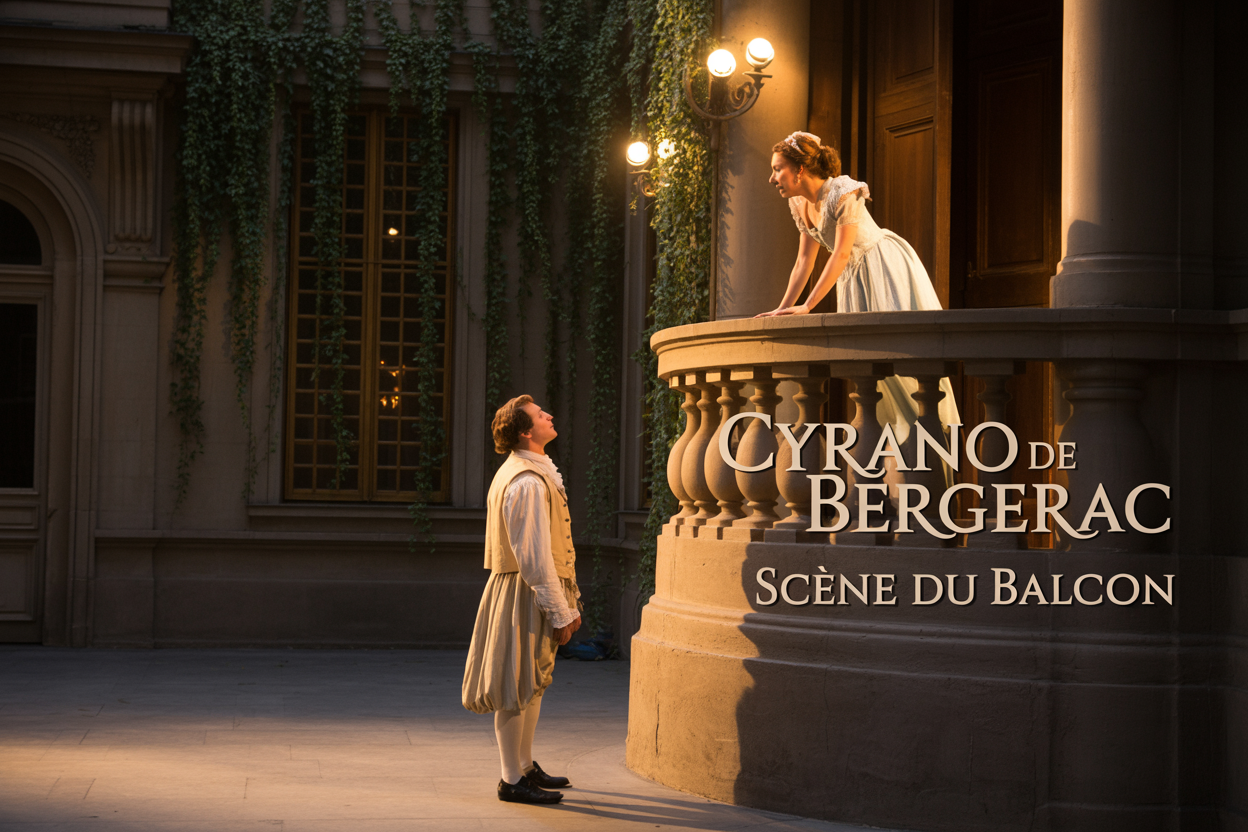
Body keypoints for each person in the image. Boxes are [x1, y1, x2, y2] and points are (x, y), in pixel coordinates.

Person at [758, 130, 958, 440]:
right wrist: (783, 310)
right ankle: (895, 451)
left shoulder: (843, 190)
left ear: (799, 169)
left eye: (777, 168)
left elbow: (840, 252)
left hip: (881, 267)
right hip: (852, 278)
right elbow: (803, 262)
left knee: (899, 359)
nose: (772, 178)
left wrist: (808, 306)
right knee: (870, 372)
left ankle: (929, 439)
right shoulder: (799, 203)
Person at [462, 395, 582, 805]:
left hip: (533, 587)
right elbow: (532, 557)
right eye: (539, 415)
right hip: (524, 590)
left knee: (533, 682)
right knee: (515, 683)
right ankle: (511, 779)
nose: (549, 415)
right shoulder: (526, 482)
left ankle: (525, 765)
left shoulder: (534, 472)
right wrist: (560, 609)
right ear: (526, 431)